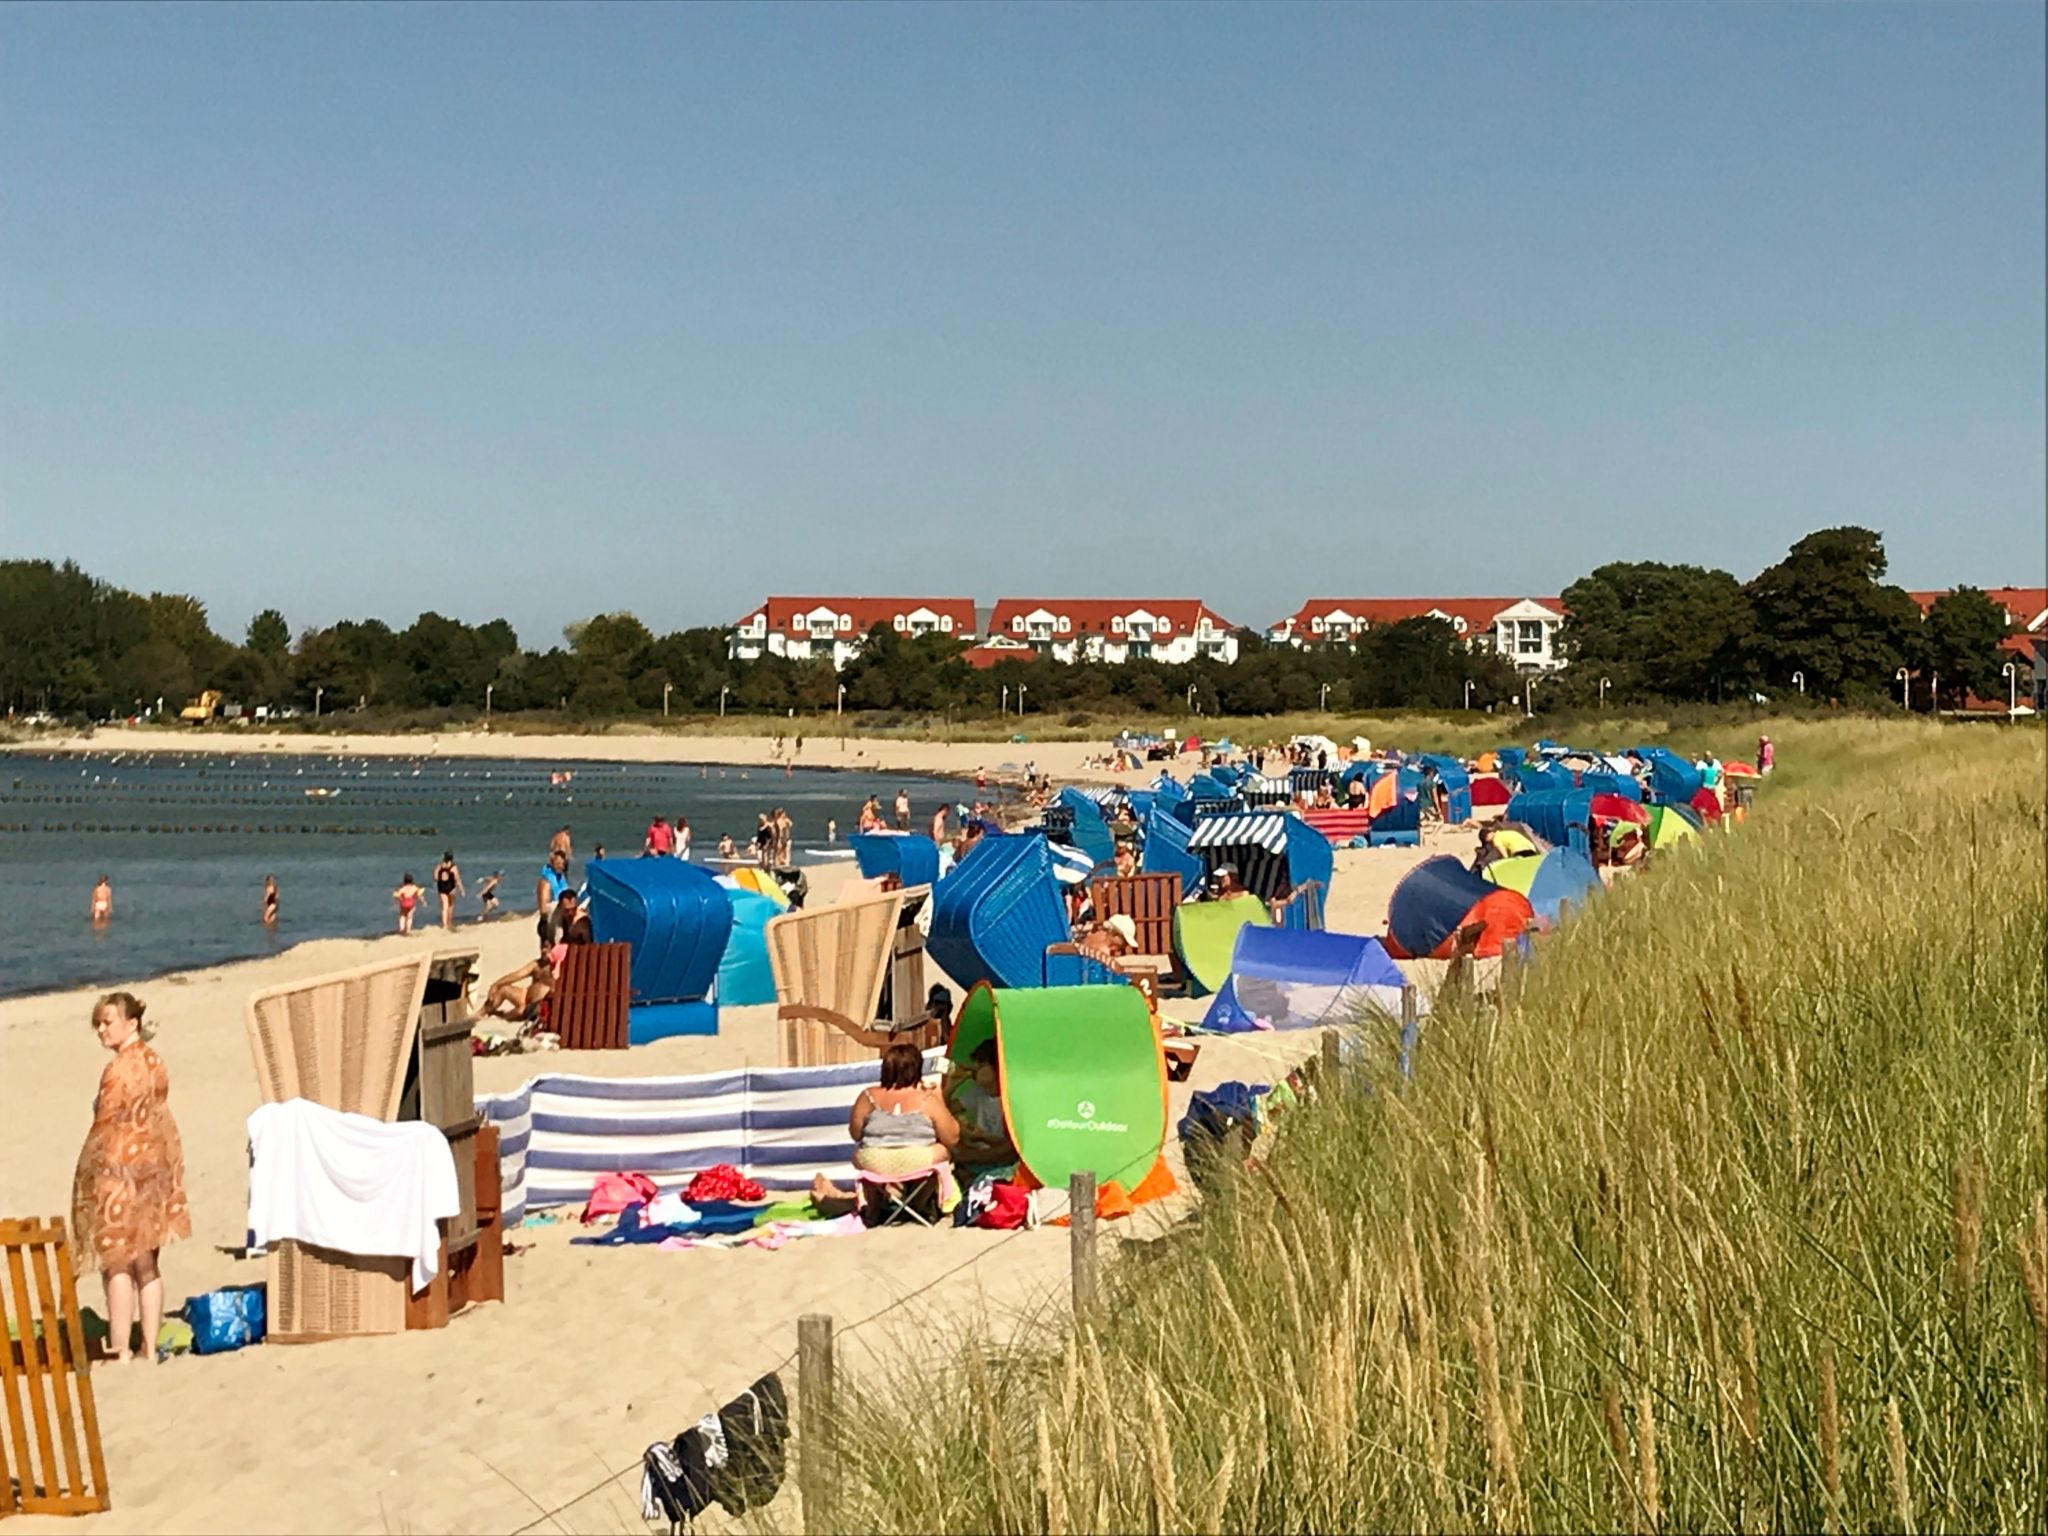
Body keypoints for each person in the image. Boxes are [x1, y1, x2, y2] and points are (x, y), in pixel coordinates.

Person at [71, 992, 189, 1363]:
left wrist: (87, 1175)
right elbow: (160, 1118)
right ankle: (149, 1348)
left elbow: (105, 1126)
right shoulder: (156, 1062)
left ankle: (121, 1348)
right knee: (147, 1263)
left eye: (107, 1022)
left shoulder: (118, 1069)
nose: (102, 1030)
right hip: (155, 1168)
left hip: (120, 1171)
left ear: (131, 1023)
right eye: (99, 1024)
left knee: (118, 1263)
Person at [948, 1039, 1016, 1174]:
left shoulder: (1011, 1099)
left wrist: (983, 1137)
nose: (974, 1067)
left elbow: (1011, 1149)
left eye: (981, 1064)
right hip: (979, 1155)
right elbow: (943, 1114)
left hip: (1000, 1162)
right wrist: (950, 1087)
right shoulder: (978, 1092)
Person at [483, 955, 555, 1022]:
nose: (543, 950)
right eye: (542, 947)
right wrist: (496, 984)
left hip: (536, 1006)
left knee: (518, 1012)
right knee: (504, 989)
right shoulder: (538, 964)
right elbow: (518, 975)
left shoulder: (555, 968)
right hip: (525, 995)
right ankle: (483, 1012)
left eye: (546, 947)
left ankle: (499, 1014)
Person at [538, 886, 580, 953]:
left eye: (574, 909)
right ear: (559, 907)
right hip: (552, 936)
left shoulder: (581, 917)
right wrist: (545, 940)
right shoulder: (551, 910)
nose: (571, 913)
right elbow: (542, 925)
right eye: (567, 910)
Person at [433, 851, 464, 930]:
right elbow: (457, 879)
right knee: (451, 905)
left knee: (444, 906)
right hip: (451, 887)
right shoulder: (453, 867)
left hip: (441, 886)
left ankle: (444, 924)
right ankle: (449, 922)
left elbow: (435, 877)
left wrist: (441, 878)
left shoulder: (440, 866)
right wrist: (461, 889)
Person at [536, 849, 572, 915]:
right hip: (552, 912)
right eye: (558, 863)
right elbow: (544, 908)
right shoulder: (545, 881)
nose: (560, 866)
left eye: (562, 864)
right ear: (552, 863)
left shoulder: (561, 877)